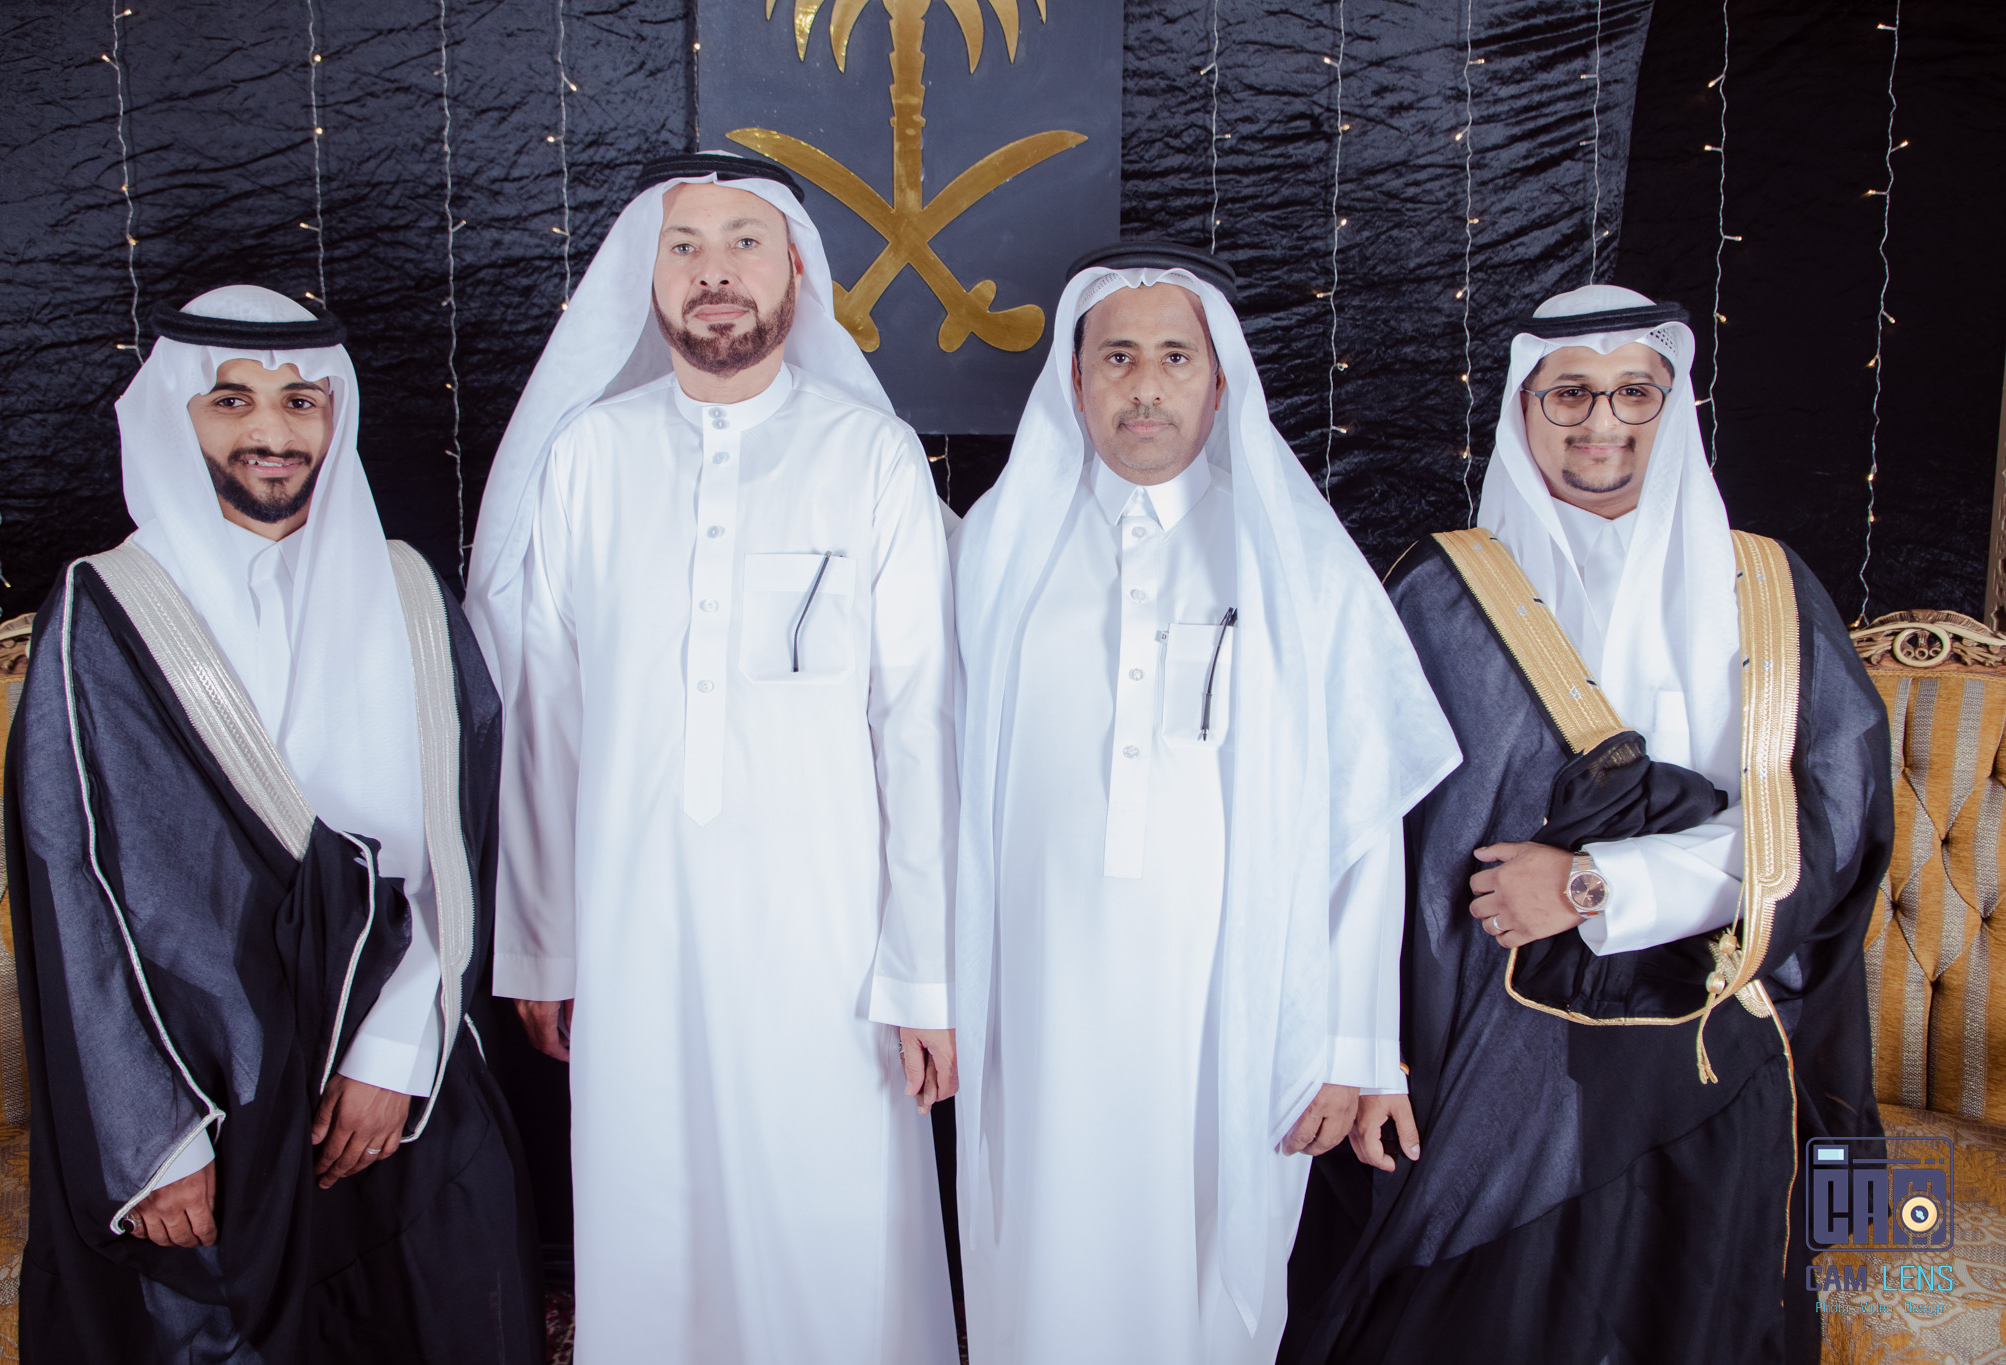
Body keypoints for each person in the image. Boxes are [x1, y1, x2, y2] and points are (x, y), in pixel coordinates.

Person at [1292, 285, 1891, 1365]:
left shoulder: (1765, 587)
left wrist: (1592, 884)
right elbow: (1367, 837)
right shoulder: (1440, 591)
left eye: (1632, 393)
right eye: (1568, 393)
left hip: (1713, 1029)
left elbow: (1830, 824)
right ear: (1522, 410)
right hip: (1487, 1034)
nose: (1601, 420)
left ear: (1671, 407)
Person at [465, 153, 959, 1365]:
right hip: (634, 941)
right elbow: (548, 721)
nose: (713, 272)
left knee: (830, 1240)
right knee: (655, 1230)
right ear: (648, 278)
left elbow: (918, 726)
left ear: (797, 271)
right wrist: (542, 940)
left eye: (744, 241)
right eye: (683, 246)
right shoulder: (588, 457)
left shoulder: (870, 458)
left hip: (830, 949)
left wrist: (924, 972)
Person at [7, 286, 539, 1363]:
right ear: (178, 417)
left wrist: (394, 1056)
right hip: (203, 1092)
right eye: (232, 401)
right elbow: (73, 888)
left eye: (300, 401)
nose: (271, 431)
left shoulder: (405, 593)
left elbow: (450, 845)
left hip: (389, 1064)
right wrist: (155, 1143)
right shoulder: (104, 611)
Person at [949, 242, 1459, 1365]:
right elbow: (933, 779)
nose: (1145, 385)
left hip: (1230, 1001)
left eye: (1175, 357)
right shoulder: (997, 548)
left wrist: (1355, 1041)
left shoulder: (1294, 561)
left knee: (1207, 1279)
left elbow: (1364, 823)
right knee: (1039, 1263)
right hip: (1035, 997)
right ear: (1074, 378)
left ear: (1219, 380)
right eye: (1117, 357)